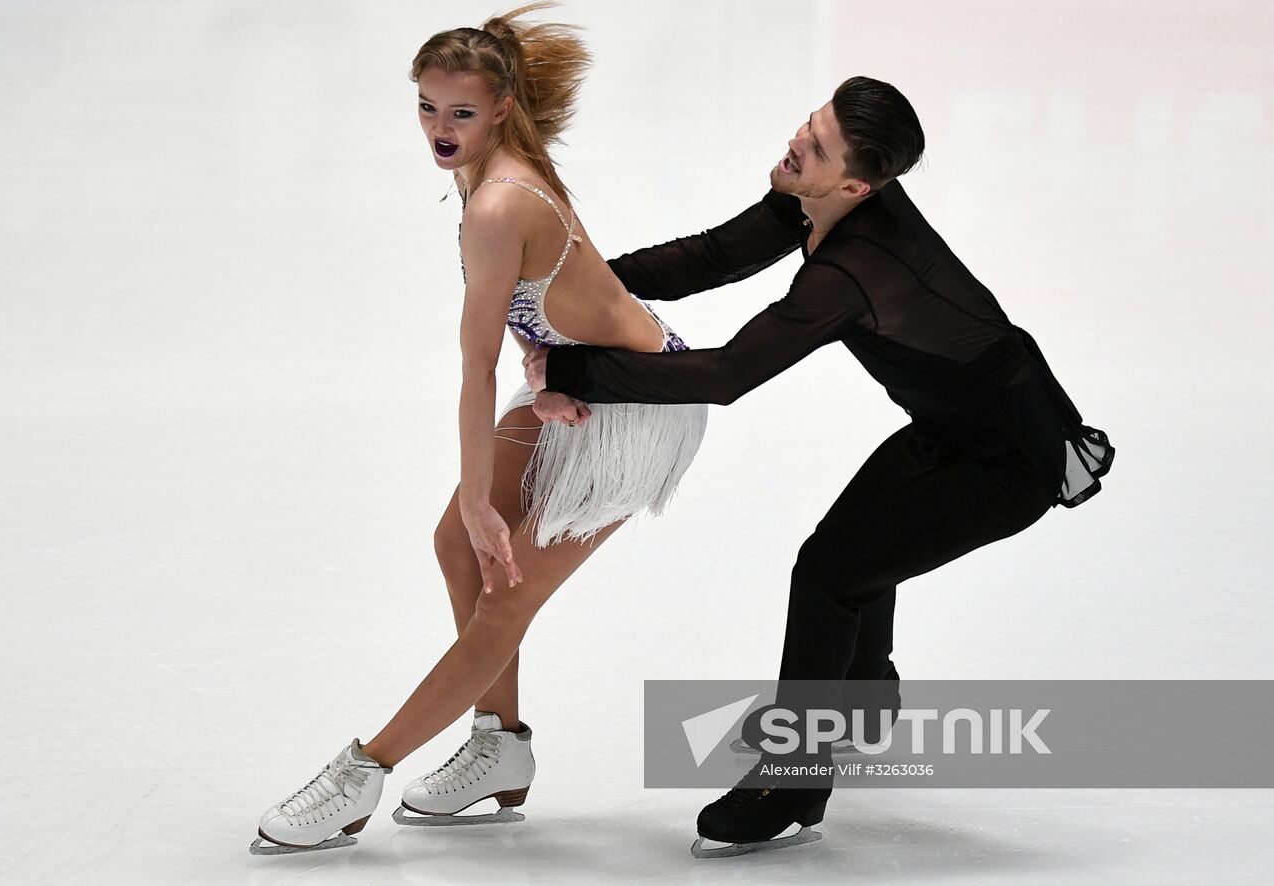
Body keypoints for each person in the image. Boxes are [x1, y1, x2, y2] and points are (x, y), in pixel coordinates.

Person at [524, 75, 1114, 857]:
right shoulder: (817, 196)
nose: (797, 141)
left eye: (819, 144)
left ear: (856, 183)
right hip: (954, 428)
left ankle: (793, 778)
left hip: (1009, 461)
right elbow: (717, 255)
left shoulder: (851, 272)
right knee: (849, 563)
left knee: (832, 571)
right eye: (810, 122)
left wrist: (577, 375)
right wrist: (581, 289)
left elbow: (729, 374)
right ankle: (865, 702)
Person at [250, 3, 709, 855]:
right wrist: (548, 373)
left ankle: (361, 772)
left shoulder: (499, 201)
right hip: (586, 381)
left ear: (501, 108)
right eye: (426, 106)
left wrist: (481, 491)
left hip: (643, 404)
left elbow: (475, 368)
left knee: (502, 586)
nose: (439, 129)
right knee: (458, 545)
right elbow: (545, 312)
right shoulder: (486, 172)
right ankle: (501, 746)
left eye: (460, 112)